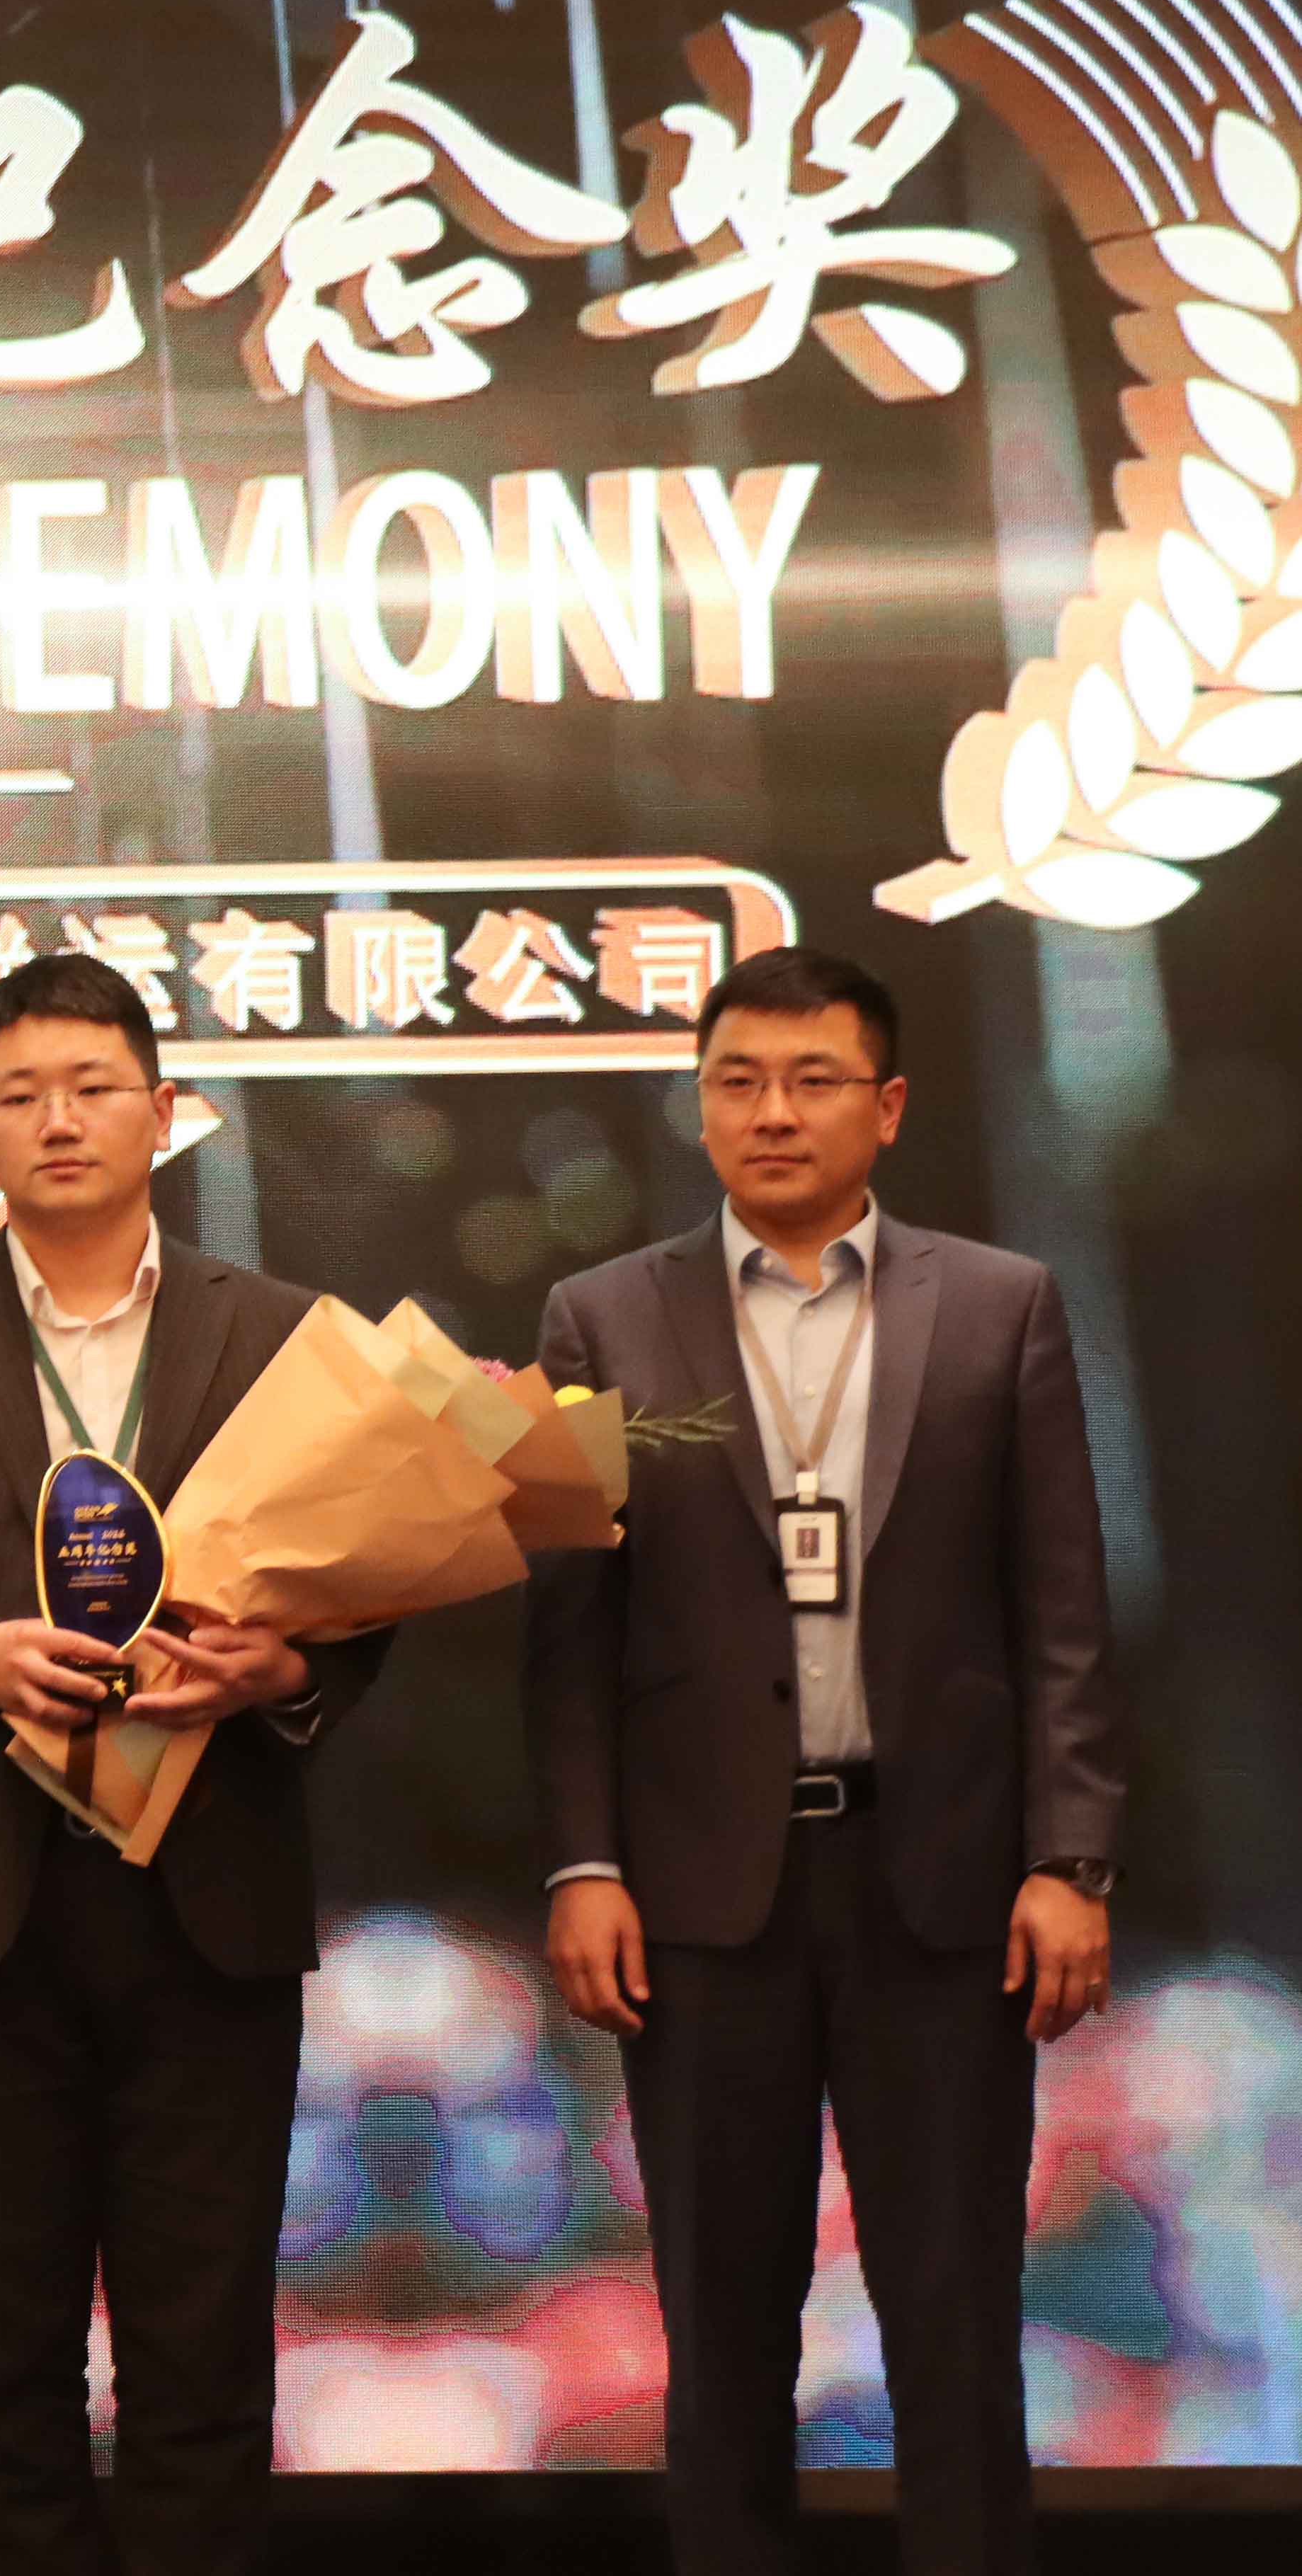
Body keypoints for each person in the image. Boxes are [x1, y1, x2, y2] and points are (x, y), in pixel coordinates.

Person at [0, 951, 389, 2576]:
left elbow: (369, 1591)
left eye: (92, 1086)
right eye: (20, 1093)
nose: (57, 1119)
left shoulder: (278, 1332)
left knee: (203, 2358)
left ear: (161, 1112)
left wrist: (287, 1669)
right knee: (0, 2362)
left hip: (206, 1896)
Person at [527, 946, 1124, 2576]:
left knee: (952, 2312)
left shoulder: (998, 1304)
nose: (770, 1112)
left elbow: (1058, 1607)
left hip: (940, 1882)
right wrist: (580, 1859)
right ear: (698, 1105)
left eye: (810, 1079)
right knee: (718, 2322)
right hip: (696, 1896)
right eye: (735, 1080)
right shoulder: (597, 1315)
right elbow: (567, 1631)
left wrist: (1067, 1857)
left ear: (888, 1104)